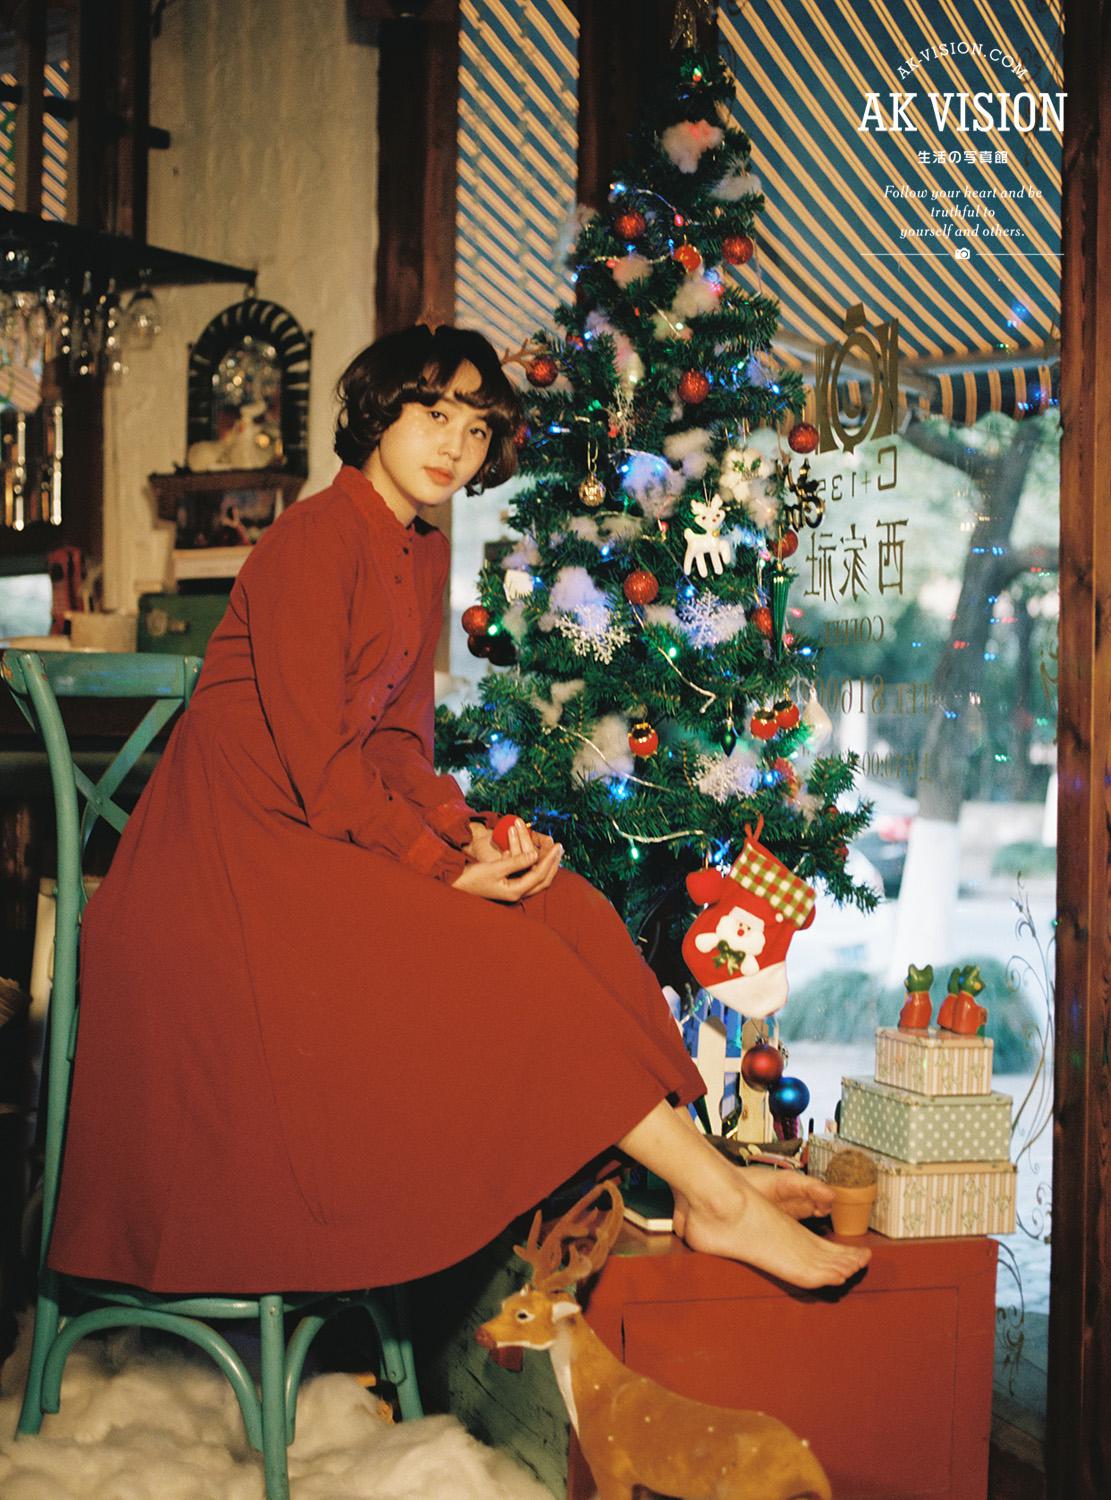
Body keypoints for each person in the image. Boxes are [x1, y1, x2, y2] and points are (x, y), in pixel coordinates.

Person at [49, 325, 869, 1295]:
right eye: (434, 414)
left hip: (319, 833)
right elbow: (320, 763)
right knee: (515, 962)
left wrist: (466, 830)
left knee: (571, 911)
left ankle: (693, 1185)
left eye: (477, 430)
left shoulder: (421, 550)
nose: (455, 445)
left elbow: (396, 744)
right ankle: (720, 1201)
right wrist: (442, 868)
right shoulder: (312, 537)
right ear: (377, 413)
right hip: (235, 860)